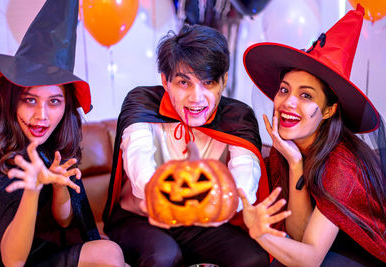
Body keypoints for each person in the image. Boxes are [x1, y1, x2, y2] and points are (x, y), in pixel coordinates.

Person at [103, 24, 270, 267]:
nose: (196, 97)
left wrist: (226, 203)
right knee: (163, 257)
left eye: (208, 82)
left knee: (252, 259)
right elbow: (141, 171)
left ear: (223, 81)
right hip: (139, 218)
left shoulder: (238, 116)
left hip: (203, 220)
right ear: (165, 80)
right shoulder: (141, 102)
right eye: (184, 83)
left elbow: (245, 176)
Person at [241, 4, 386, 266]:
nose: (288, 102)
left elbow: (309, 260)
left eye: (306, 95)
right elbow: (299, 235)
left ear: (329, 110)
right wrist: (296, 164)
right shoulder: (288, 149)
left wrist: (259, 232)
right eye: (284, 90)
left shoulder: (341, 165)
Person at [0, 0, 126, 266]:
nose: (41, 115)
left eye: (54, 101)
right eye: (29, 100)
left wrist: (60, 187)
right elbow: (11, 261)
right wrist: (32, 189)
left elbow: (64, 220)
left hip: (43, 251)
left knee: (112, 252)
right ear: (11, 99)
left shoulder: (54, 145)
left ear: (66, 105)